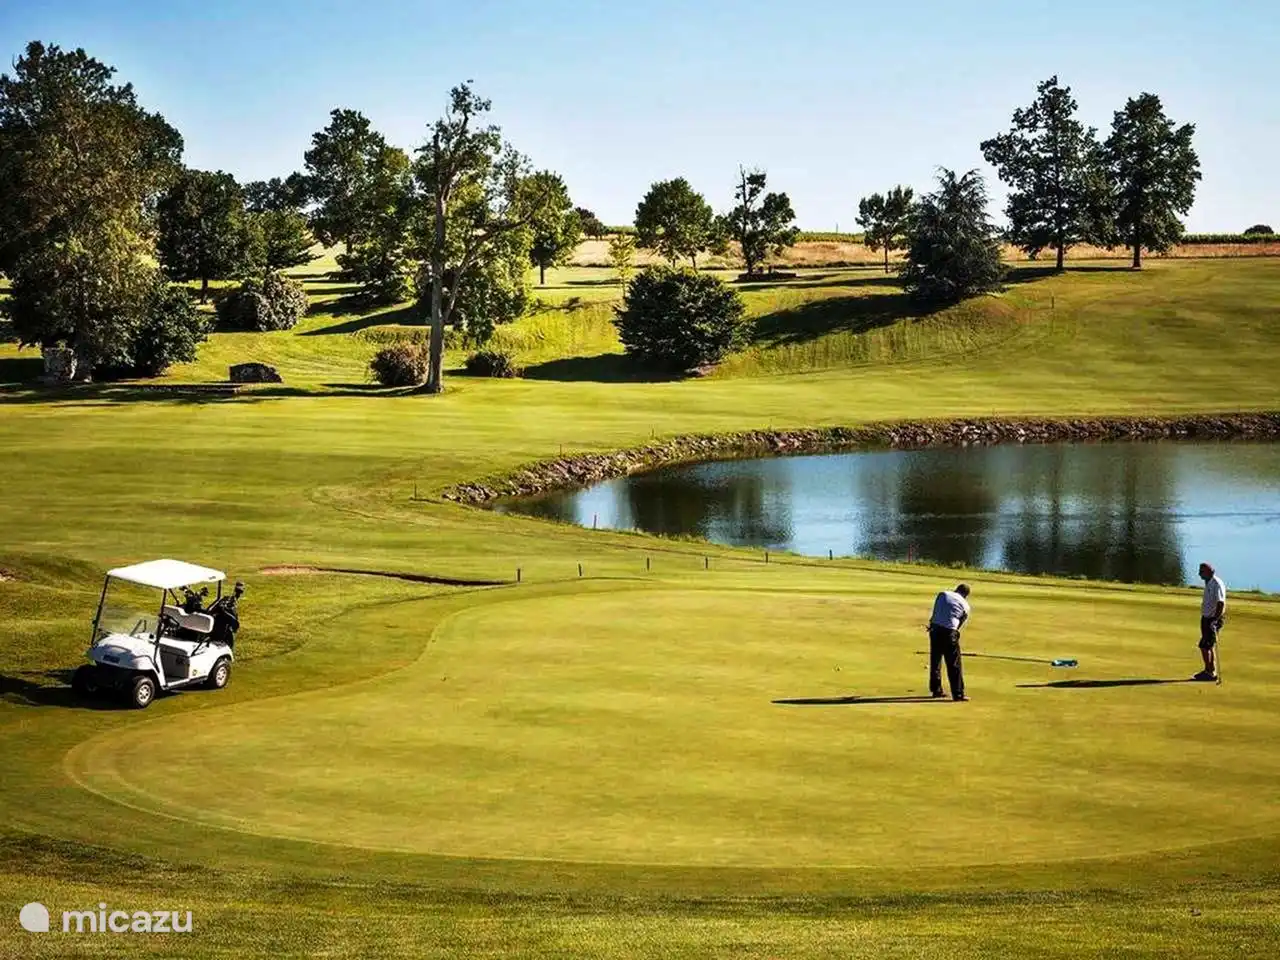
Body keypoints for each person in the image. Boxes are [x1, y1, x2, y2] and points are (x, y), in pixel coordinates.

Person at [928, 583, 971, 701]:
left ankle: (936, 690)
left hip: (935, 629)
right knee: (954, 664)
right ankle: (958, 694)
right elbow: (959, 623)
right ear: (965, 595)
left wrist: (932, 624)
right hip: (949, 632)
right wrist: (954, 633)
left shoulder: (943, 594)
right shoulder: (965, 605)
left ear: (956, 589)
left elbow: (936, 611)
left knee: (935, 660)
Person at [1195, 563, 1226, 681]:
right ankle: (1209, 670)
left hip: (1213, 619)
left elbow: (1220, 603)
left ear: (1209, 572)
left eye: (1201, 572)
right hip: (1206, 618)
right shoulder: (1208, 582)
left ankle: (1210, 672)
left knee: (1204, 645)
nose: (1199, 574)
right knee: (1207, 645)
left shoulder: (1216, 584)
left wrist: (1215, 620)